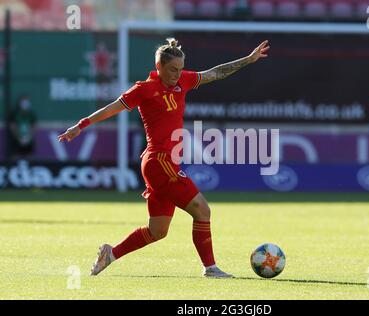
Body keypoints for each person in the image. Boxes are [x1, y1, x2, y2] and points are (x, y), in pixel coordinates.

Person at [58, 38, 270, 278]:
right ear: (158, 66)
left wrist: (248, 59)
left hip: (164, 163)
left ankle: (111, 253)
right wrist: (80, 125)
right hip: (159, 161)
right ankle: (211, 268)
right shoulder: (144, 89)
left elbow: (215, 73)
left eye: (180, 69)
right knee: (202, 210)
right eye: (172, 70)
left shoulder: (184, 81)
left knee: (157, 231)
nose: (177, 75)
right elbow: (112, 108)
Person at [9, 95, 37, 160]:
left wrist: (28, 138)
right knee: (15, 158)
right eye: (23, 101)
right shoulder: (14, 114)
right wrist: (19, 138)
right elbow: (12, 127)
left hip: (28, 140)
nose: (25, 103)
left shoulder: (31, 114)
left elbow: (33, 127)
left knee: (30, 158)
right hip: (16, 140)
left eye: (26, 101)